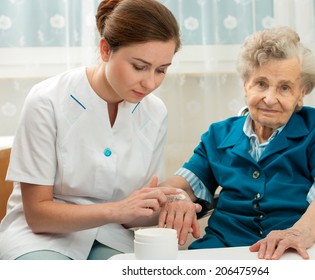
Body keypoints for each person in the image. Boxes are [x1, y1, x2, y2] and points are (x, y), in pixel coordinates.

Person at [0, 0, 182, 260]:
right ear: (106, 50)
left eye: (161, 70)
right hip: (41, 238)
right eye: (139, 67)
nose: (150, 82)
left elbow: (137, 211)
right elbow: (38, 216)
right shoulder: (46, 100)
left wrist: (173, 203)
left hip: (113, 237)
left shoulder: (155, 112)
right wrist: (117, 210)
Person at [157, 26, 315, 260]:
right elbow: (181, 186)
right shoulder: (218, 135)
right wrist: (176, 198)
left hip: (300, 243)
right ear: (245, 85)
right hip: (227, 245)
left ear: (301, 94)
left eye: (284, 87)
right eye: (261, 83)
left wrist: (299, 232)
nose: (270, 99)